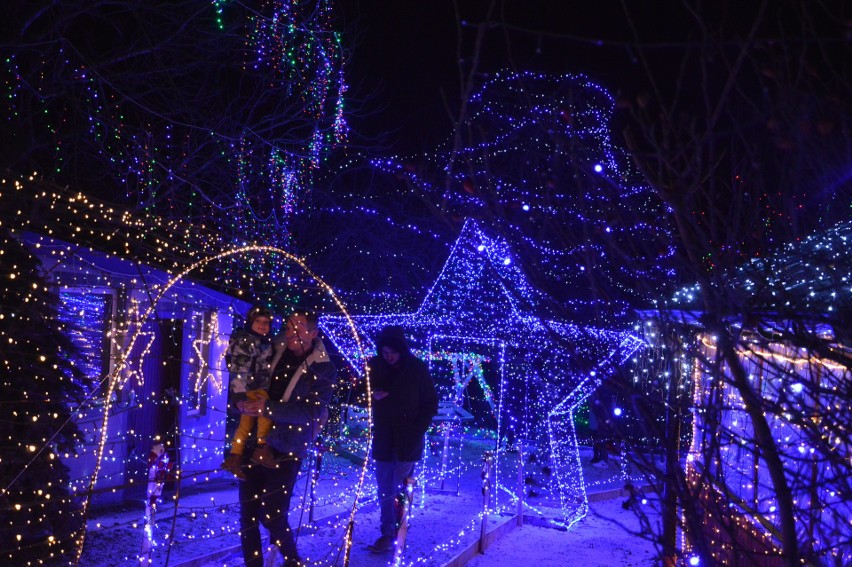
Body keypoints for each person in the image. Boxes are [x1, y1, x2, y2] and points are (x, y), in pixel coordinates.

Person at [235, 311, 337, 567]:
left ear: (314, 334)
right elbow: (248, 375)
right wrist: (241, 401)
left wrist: (267, 408)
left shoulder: (323, 368)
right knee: (248, 514)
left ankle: (292, 561)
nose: (291, 334)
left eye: (299, 330)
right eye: (289, 328)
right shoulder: (273, 348)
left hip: (287, 447)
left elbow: (312, 412)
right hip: (253, 440)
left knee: (271, 514)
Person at [367, 325, 438, 553]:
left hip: (407, 439)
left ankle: (400, 531)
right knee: (385, 488)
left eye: (393, 353)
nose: (389, 357)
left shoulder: (417, 369)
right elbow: (359, 391)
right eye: (385, 352)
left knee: (401, 488)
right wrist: (371, 395)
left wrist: (417, 429)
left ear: (402, 350)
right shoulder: (375, 367)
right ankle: (387, 532)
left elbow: (430, 403)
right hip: (384, 438)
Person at [221, 305, 274, 480]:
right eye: (258, 321)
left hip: (257, 386)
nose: (262, 325)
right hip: (251, 388)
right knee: (265, 411)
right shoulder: (246, 341)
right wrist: (239, 395)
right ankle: (262, 446)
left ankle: (235, 457)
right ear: (250, 323)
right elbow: (239, 368)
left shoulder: (266, 341)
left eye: (266, 322)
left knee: (245, 425)